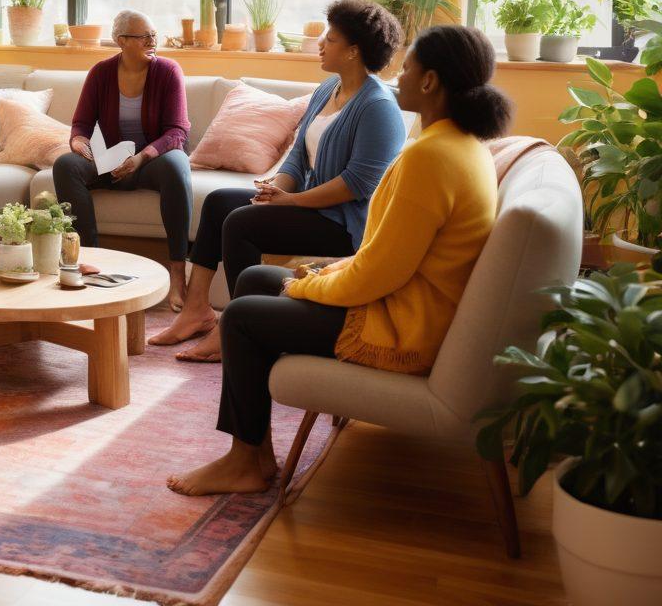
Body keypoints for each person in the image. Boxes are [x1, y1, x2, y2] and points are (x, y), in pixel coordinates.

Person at [166, 25, 512, 497]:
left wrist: (306, 284)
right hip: (404, 305)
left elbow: (379, 273)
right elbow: (385, 260)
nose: (400, 76)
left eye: (408, 67)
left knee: (245, 316)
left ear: (430, 82)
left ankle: (244, 461)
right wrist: (313, 275)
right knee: (254, 279)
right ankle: (256, 450)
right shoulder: (459, 145)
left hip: (401, 330)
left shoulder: (431, 157)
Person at [153, 0, 406, 362]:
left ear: (353, 51)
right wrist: (276, 190)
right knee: (221, 201)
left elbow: (356, 185)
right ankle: (197, 311)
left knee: (242, 223)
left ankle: (236, 327)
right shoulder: (326, 91)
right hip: (311, 207)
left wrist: (289, 202)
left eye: (330, 39)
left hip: (345, 223)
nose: (321, 44)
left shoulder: (378, 107)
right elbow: (298, 159)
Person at [53, 10, 192, 309]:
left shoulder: (168, 71)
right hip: (111, 162)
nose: (153, 41)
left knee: (178, 166)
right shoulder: (101, 73)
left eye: (154, 34)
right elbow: (81, 124)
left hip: (150, 162)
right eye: (145, 36)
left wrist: (142, 158)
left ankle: (178, 273)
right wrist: (78, 141)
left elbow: (178, 130)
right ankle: (89, 261)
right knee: (66, 165)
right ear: (121, 41)